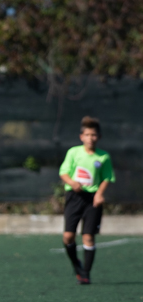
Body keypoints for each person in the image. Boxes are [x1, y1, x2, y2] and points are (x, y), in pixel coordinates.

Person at [59, 116, 115, 285]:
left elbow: (107, 177)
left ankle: (86, 274)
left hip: (92, 200)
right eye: (87, 135)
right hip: (74, 197)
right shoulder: (73, 152)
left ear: (99, 137)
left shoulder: (103, 156)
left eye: (94, 135)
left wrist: (99, 194)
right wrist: (72, 183)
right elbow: (63, 172)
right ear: (81, 137)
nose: (91, 138)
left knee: (88, 236)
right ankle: (77, 265)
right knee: (68, 237)